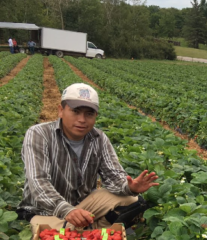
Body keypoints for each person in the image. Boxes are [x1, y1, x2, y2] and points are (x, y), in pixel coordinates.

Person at [17, 83, 159, 230]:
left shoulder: (99, 138)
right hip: (45, 212)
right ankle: (86, 230)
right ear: (61, 110)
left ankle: (83, 230)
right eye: (75, 111)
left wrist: (130, 187)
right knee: (53, 235)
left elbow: (113, 177)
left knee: (132, 200)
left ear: (95, 116)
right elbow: (38, 182)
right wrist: (67, 210)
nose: (82, 119)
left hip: (83, 208)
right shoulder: (39, 134)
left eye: (89, 114)